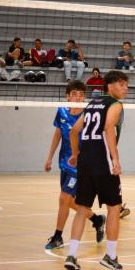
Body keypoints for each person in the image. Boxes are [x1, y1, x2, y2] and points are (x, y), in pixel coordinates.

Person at [63, 70, 129, 270]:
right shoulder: (115, 104)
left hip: (85, 161)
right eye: (121, 84)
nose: (125, 88)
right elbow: (108, 128)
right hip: (103, 161)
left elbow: (74, 130)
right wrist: (115, 159)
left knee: (82, 209)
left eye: (126, 84)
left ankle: (72, 255)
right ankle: (110, 256)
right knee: (114, 208)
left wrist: (75, 154)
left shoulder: (92, 104)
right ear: (109, 86)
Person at [43, 80, 105, 251]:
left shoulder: (88, 114)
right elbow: (57, 134)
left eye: (81, 94)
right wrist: (49, 157)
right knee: (69, 201)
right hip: (64, 162)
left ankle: (57, 237)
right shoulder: (62, 111)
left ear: (84, 97)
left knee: (64, 198)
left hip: (80, 164)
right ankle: (97, 219)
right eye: (74, 94)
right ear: (68, 96)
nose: (78, 97)